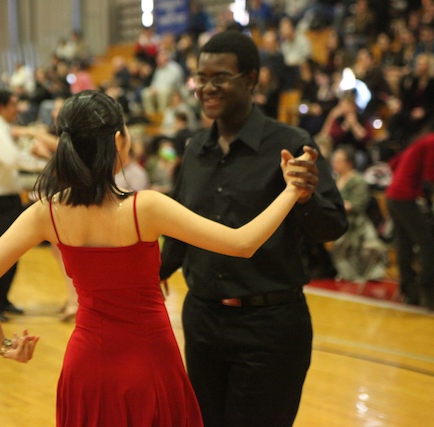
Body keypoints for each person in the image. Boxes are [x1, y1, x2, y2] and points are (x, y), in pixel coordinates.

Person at [0, 89, 315, 426]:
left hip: (86, 368)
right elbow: (243, 243)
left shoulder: (46, 212)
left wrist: (5, 345)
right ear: (119, 140)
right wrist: (292, 190)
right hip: (150, 364)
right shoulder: (144, 208)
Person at [159, 31, 348, 427]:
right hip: (204, 320)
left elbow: (332, 226)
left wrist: (305, 196)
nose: (207, 87)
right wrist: (152, 275)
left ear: (250, 79)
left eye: (220, 77)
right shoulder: (195, 149)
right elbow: (180, 228)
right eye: (201, 78)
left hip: (271, 327)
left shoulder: (292, 144)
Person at [0, 89, 46, 321]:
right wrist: (43, 164)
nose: (18, 109)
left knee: (12, 253)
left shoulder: (2, 129)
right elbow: (13, 160)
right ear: (1, 106)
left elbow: (14, 156)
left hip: (8, 197)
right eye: (14, 104)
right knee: (3, 253)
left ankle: (3, 300)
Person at [385, 130, 434, 308]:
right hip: (404, 197)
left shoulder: (420, 140)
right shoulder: (431, 141)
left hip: (393, 195)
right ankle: (428, 290)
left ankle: (409, 290)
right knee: (428, 244)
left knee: (404, 243)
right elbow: (430, 176)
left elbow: (393, 163)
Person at [329, 146, 387, 284]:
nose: (334, 164)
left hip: (354, 221)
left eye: (338, 161)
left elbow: (357, 205)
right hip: (335, 216)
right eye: (334, 161)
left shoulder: (358, 180)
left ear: (349, 163)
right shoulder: (334, 178)